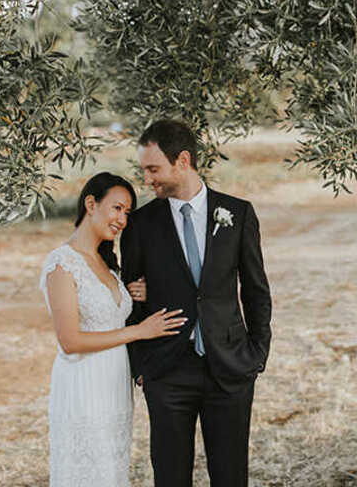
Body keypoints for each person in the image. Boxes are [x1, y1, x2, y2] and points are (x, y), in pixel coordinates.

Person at [122, 119, 272, 487]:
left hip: (230, 368)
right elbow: (130, 299)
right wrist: (143, 366)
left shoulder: (237, 213)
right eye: (144, 170)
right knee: (170, 479)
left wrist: (256, 355)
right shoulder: (140, 224)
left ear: (183, 161)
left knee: (231, 477)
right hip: (167, 372)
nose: (147, 180)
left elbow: (256, 290)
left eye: (153, 169)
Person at [39, 172, 187, 487]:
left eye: (127, 212)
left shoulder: (107, 264)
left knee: (111, 470)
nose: (122, 219)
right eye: (117, 208)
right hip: (84, 385)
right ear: (91, 204)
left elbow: (112, 313)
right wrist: (140, 332)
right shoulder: (62, 263)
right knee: (88, 472)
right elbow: (70, 340)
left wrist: (135, 295)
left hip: (114, 386)